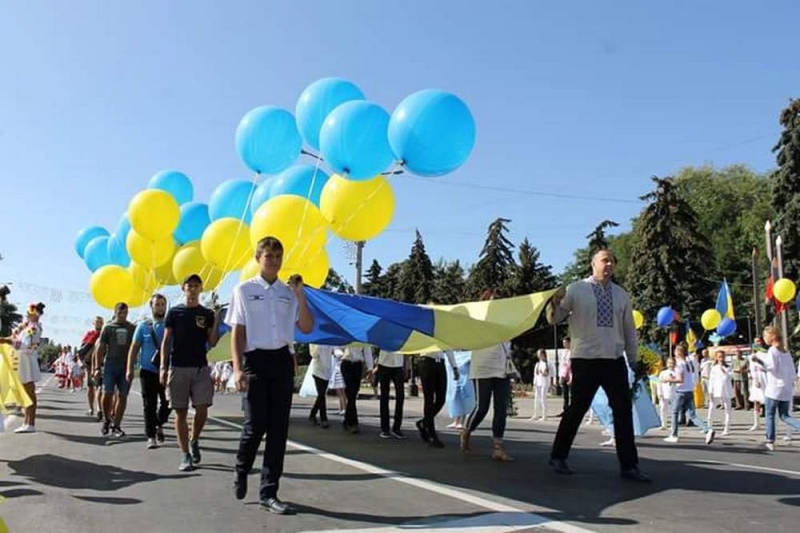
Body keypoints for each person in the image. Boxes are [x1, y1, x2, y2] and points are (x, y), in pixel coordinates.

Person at [546, 250, 649, 481]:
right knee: (577, 408)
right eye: (605, 260)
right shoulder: (576, 289)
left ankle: (629, 466)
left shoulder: (621, 294)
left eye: (613, 260)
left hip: (614, 359)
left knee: (623, 411)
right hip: (585, 358)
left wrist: (633, 360)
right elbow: (555, 318)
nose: (609, 264)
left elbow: (629, 330)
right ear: (593, 264)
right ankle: (558, 456)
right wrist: (553, 301)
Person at [227, 236, 313, 515]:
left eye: (278, 256)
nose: (274, 260)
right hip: (255, 360)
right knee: (255, 425)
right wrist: (238, 368)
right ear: (258, 259)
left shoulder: (288, 293)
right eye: (269, 256)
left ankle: (269, 492)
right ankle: (241, 469)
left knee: (278, 430)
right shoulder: (243, 289)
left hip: (282, 361)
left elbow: (307, 327)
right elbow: (237, 332)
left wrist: (300, 293)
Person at [160, 274, 221, 472]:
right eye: (190, 286)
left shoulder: (206, 313)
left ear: (201, 289)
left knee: (202, 408)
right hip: (178, 367)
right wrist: (163, 367)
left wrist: (217, 318)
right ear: (183, 289)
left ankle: (194, 439)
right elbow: (166, 342)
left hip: (200, 367)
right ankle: (185, 454)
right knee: (180, 412)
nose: (193, 289)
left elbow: (212, 342)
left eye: (196, 286)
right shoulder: (175, 313)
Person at [127, 294, 171, 449]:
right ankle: (151, 436)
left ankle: (159, 423)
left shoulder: (170, 326)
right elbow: (134, 348)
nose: (160, 307)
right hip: (147, 371)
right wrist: (129, 369)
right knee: (149, 404)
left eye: (162, 304)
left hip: (166, 371)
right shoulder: (143, 326)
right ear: (151, 307)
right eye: (157, 304)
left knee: (168, 402)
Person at [750, 326, 800, 452]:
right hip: (786, 388)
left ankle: (770, 440)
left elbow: (770, 367)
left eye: (766, 336)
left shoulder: (773, 351)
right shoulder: (786, 352)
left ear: (772, 337)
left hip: (774, 388)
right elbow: (792, 373)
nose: (764, 339)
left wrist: (758, 360)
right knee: (785, 415)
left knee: (770, 414)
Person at [94, 303, 136, 438]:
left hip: (126, 366)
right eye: (120, 312)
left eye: (125, 312)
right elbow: (100, 348)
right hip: (110, 365)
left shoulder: (132, 328)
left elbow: (137, 346)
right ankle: (106, 420)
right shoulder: (108, 327)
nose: (123, 315)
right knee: (107, 393)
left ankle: (116, 425)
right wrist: (96, 367)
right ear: (115, 312)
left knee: (122, 396)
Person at [662, 344, 715, 445]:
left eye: (676, 351)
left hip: (681, 391)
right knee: (692, 415)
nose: (674, 352)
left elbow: (680, 379)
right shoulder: (688, 362)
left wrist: (668, 379)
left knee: (674, 412)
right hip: (690, 390)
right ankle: (707, 430)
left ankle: (674, 435)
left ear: (678, 352)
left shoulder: (679, 364)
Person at [12, 302, 45, 433]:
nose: (26, 315)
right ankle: (26, 422)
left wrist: (9, 342)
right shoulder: (27, 327)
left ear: (35, 315)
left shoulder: (34, 328)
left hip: (27, 359)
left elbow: (28, 345)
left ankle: (30, 423)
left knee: (29, 392)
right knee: (26, 392)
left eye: (29, 313)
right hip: (22, 359)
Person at [416, 349, 459, 448]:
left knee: (441, 399)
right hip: (427, 360)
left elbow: (448, 348)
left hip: (440, 362)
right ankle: (432, 434)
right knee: (429, 400)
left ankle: (424, 422)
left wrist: (454, 367)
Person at [340, 344, 374, 434]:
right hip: (346, 363)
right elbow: (337, 346)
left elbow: (367, 350)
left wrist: (370, 369)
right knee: (351, 393)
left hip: (357, 365)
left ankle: (347, 420)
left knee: (353, 394)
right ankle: (353, 423)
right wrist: (339, 353)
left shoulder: (361, 335)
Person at [78, 317, 104, 418]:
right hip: (89, 363)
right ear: (94, 323)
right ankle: (91, 408)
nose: (98, 323)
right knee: (90, 386)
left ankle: (99, 409)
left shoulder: (105, 333)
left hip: (101, 363)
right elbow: (83, 348)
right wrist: (82, 360)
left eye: (100, 322)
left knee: (99, 387)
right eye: (97, 322)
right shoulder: (90, 334)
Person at [707, 350, 734, 436]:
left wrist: (724, 369)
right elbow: (711, 380)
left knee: (727, 408)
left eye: (722, 357)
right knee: (712, 407)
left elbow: (730, 376)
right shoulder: (713, 367)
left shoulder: (729, 366)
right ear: (716, 358)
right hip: (716, 390)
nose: (721, 358)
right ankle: (709, 426)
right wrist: (710, 391)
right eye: (719, 357)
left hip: (726, 389)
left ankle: (727, 428)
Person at [308, 344, 334, 428]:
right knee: (321, 394)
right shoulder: (313, 341)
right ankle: (323, 419)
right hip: (318, 371)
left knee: (322, 395)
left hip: (327, 371)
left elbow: (334, 350)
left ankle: (313, 414)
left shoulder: (328, 340)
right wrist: (318, 345)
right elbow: (313, 354)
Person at [530, 349, 550, 421]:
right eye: (538, 354)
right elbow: (535, 375)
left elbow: (551, 373)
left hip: (544, 383)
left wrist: (547, 374)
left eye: (540, 354)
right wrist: (534, 383)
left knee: (543, 399)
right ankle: (536, 415)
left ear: (544, 354)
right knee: (536, 399)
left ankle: (544, 416)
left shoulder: (548, 363)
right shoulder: (537, 364)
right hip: (538, 383)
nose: (539, 356)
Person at [657, 357, 677, 430]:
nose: (671, 365)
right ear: (667, 364)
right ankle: (664, 424)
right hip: (664, 393)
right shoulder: (663, 373)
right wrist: (659, 393)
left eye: (672, 363)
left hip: (673, 393)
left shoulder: (677, 372)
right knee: (663, 409)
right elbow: (659, 383)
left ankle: (673, 425)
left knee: (673, 410)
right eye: (669, 363)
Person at [557, 337, 572, 416]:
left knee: (571, 393)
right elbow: (561, 364)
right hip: (563, 374)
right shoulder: (563, 352)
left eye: (565, 342)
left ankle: (572, 410)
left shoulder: (572, 351)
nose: (564, 344)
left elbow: (571, 365)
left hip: (570, 375)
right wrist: (560, 376)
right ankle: (565, 409)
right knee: (565, 394)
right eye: (563, 342)